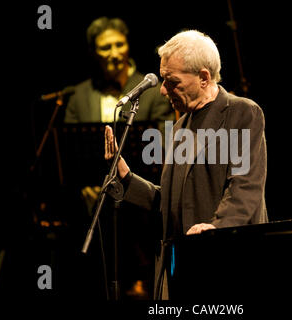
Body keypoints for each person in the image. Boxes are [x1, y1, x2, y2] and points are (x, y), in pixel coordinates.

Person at [104, 30, 268, 299]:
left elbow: (245, 187)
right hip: (183, 267)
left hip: (227, 262)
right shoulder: (180, 128)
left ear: (204, 77)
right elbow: (169, 203)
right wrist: (126, 178)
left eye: (172, 81)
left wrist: (217, 227)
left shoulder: (242, 112)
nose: (162, 89)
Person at [62, 17, 174, 299]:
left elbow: (159, 147)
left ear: (128, 46)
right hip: (92, 201)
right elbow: (70, 152)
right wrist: (84, 186)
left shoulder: (151, 90)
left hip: (139, 200)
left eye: (119, 44)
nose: (113, 53)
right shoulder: (79, 95)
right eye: (105, 47)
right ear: (93, 53)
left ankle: (140, 283)